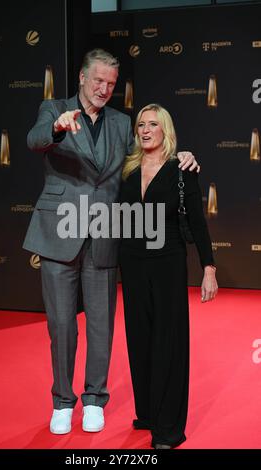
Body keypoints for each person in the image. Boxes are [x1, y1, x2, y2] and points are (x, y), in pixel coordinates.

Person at [23, 49, 199, 435]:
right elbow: (35, 140)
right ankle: (62, 400)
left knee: (101, 324)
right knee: (61, 325)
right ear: (82, 78)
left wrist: (180, 155)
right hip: (59, 234)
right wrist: (57, 128)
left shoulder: (122, 123)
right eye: (98, 80)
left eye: (111, 83)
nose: (104, 89)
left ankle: (94, 399)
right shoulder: (54, 108)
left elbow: (147, 156)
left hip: (106, 233)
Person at [119, 103, 218, 449]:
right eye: (141, 125)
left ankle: (169, 429)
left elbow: (197, 221)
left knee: (168, 342)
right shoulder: (127, 170)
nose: (145, 130)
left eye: (153, 125)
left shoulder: (181, 169)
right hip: (131, 265)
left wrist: (209, 268)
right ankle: (147, 411)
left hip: (167, 262)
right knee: (140, 339)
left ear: (165, 130)